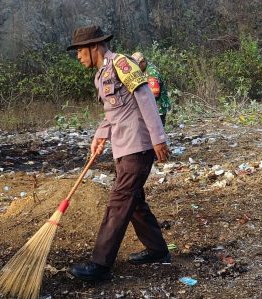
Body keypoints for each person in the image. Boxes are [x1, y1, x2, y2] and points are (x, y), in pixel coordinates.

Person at [66, 25, 172, 281]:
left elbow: (145, 98)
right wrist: (100, 136)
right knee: (133, 202)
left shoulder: (123, 64)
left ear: (95, 47)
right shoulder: (101, 75)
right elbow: (112, 113)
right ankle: (157, 251)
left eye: (80, 51)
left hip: (139, 145)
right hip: (124, 147)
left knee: (119, 200)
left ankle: (100, 265)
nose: (78, 57)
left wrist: (158, 138)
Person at [131, 52, 171, 126]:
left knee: (157, 133)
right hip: (152, 108)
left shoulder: (151, 72)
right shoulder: (142, 71)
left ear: (143, 62)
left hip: (157, 108)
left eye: (137, 65)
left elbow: (154, 94)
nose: (136, 67)